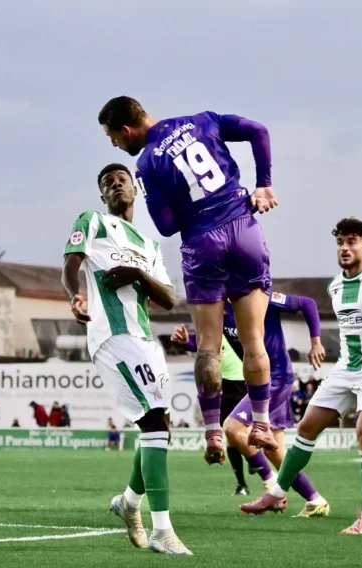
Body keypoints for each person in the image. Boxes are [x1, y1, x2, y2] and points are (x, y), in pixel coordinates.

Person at [98, 96, 279, 464]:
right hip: (243, 228)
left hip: (202, 242)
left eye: (113, 137)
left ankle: (212, 431)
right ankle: (261, 424)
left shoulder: (147, 163)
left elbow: (166, 226)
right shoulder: (204, 119)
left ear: (127, 130)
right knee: (253, 340)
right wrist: (263, 185)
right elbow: (258, 130)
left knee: (208, 347)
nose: (116, 145)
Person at [240, 218, 362, 535]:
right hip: (344, 369)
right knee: (306, 428)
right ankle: (277, 493)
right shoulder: (335, 286)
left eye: (352, 241)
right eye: (340, 242)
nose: (344, 248)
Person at [61, 162, 191, 555]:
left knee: (159, 428)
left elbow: (169, 299)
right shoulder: (94, 221)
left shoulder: (150, 246)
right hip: (112, 335)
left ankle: (129, 503)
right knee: (153, 424)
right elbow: (71, 265)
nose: (116, 185)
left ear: (135, 190)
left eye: (122, 180)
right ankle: (162, 531)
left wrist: (137, 274)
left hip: (145, 340)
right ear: (102, 195)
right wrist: (75, 296)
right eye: (108, 183)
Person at [174, 293, 331, 517]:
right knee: (274, 452)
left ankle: (270, 484)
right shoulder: (221, 310)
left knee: (232, 428)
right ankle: (315, 500)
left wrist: (315, 342)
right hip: (259, 382)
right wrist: (186, 342)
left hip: (276, 379)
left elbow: (308, 302)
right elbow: (209, 342)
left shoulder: (260, 297)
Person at [176, 328, 250, 493]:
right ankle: (241, 484)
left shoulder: (241, 323)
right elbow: (194, 343)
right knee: (230, 435)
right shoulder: (211, 328)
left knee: (244, 432)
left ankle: (253, 459)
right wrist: (185, 340)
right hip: (222, 385)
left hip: (244, 384)